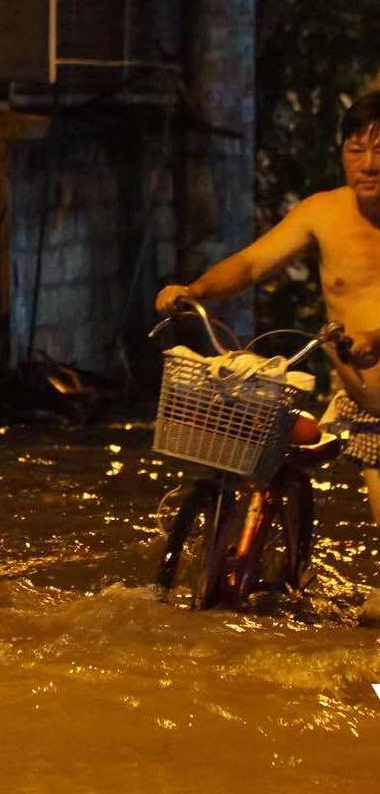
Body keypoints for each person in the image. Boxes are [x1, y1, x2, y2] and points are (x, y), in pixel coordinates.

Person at [155, 92, 380, 621]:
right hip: (364, 406)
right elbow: (254, 264)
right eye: (356, 149)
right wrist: (195, 291)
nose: (369, 164)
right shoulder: (322, 212)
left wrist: (374, 338)